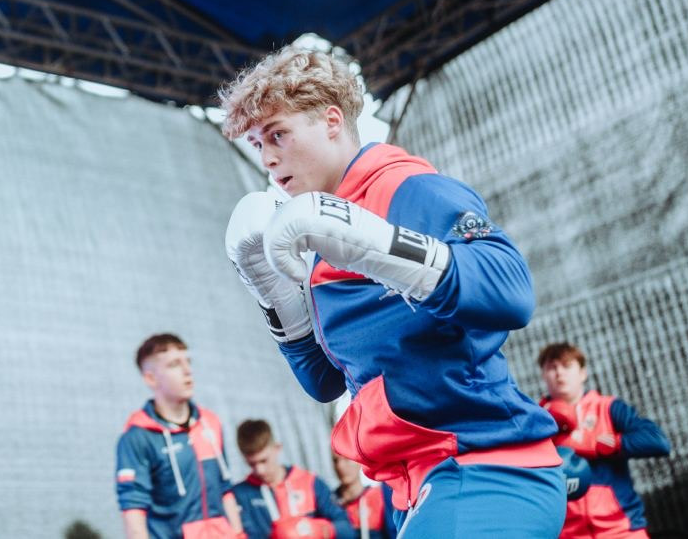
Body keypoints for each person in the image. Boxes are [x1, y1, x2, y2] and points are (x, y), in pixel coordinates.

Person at [219, 46, 566, 538]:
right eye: (257, 144)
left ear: (331, 121)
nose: (268, 158)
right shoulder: (314, 236)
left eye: (278, 134)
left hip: (486, 467)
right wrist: (272, 291)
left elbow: (512, 291)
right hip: (417, 485)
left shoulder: (405, 187)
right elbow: (325, 382)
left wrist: (378, 245)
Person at [116, 334, 243, 539]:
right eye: (174, 364)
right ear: (151, 378)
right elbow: (133, 508)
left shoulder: (210, 423)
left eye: (188, 361)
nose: (187, 370)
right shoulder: (137, 437)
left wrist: (238, 534)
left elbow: (225, 488)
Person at [538, 341, 671, 537]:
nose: (559, 373)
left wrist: (605, 444)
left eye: (566, 366)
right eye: (552, 367)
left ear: (583, 373)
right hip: (568, 533)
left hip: (622, 529)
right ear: (543, 375)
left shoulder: (608, 407)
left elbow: (658, 441)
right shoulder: (537, 419)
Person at [229, 419, 354, 539]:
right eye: (252, 464)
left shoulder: (310, 482)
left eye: (264, 461)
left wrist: (320, 530)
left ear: (277, 448)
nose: (260, 470)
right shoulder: (239, 495)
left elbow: (347, 529)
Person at [332, 452, 394, 538]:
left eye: (347, 459)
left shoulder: (380, 496)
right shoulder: (329, 504)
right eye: (335, 460)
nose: (340, 466)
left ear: (359, 461)